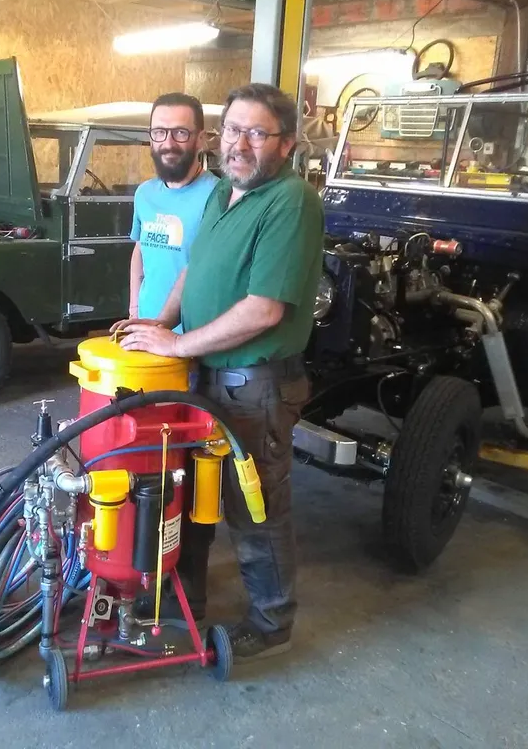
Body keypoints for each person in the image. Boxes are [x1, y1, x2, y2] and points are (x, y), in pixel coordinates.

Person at [114, 83, 325, 662]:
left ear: (286, 144)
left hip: (253, 383)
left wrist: (179, 345)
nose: (241, 143)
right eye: (234, 130)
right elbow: (194, 270)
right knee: (190, 491)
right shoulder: (221, 196)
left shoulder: (291, 201)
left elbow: (264, 309)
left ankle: (271, 620)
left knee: (252, 505)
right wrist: (158, 322)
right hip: (206, 376)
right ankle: (187, 597)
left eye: (257, 133)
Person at [128, 93, 219, 328]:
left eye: (180, 133)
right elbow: (140, 249)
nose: (168, 144)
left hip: (194, 335)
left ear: (200, 139)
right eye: (159, 132)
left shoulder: (219, 196)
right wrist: (135, 310)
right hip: (147, 326)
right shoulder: (144, 194)